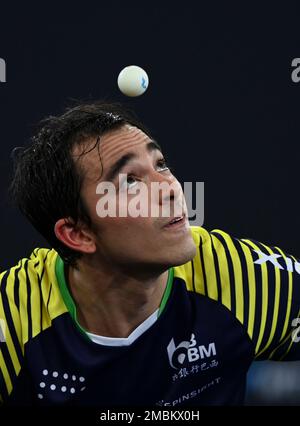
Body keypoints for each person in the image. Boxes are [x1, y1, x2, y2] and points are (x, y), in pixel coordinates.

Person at [0, 101, 300, 406]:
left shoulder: (244, 280)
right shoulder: (11, 325)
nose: (171, 189)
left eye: (161, 164)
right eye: (130, 181)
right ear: (78, 234)